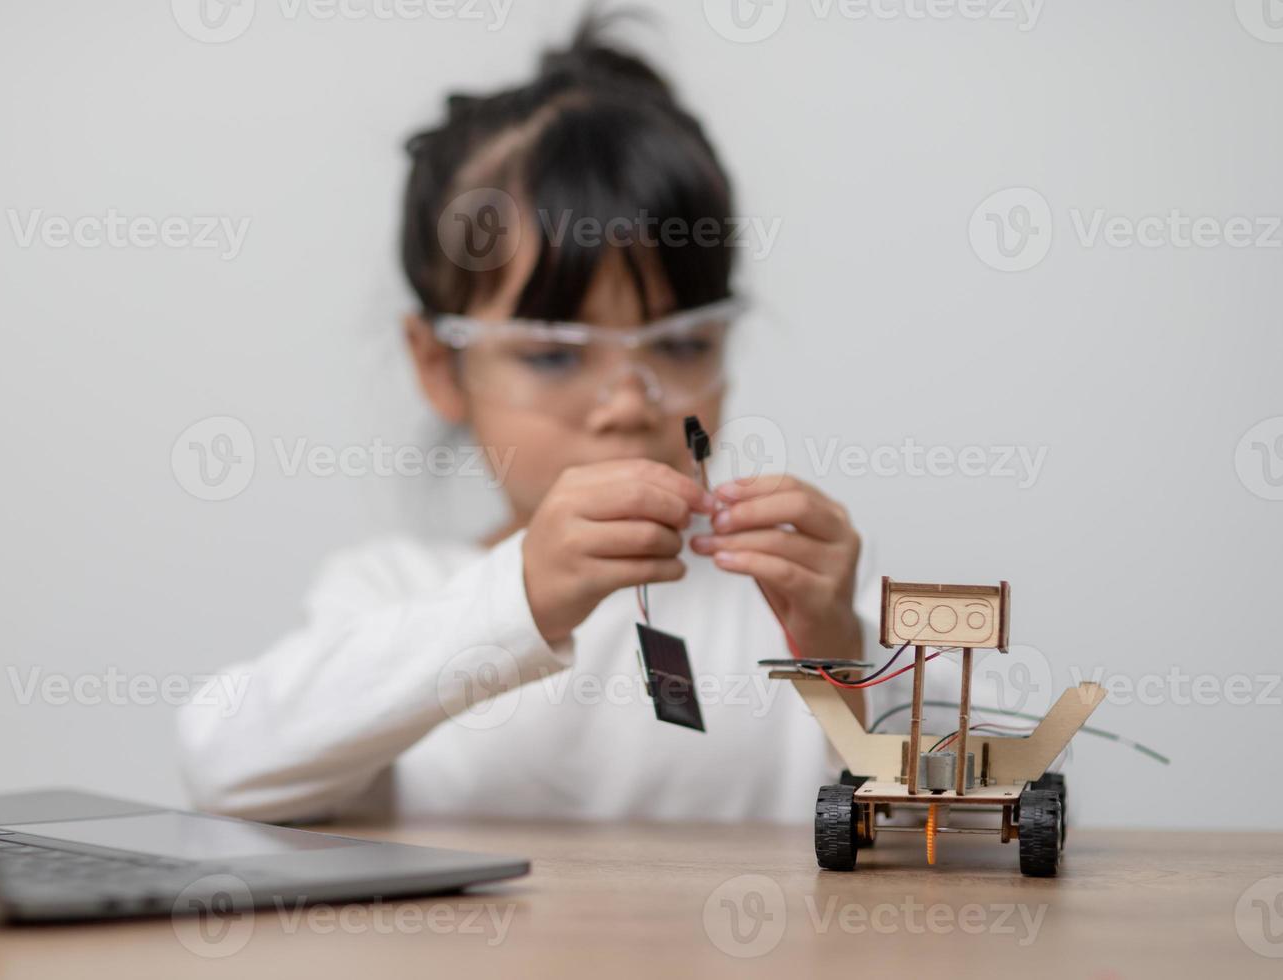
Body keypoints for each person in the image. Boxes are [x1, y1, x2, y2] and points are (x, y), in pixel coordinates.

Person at [177, 17, 951, 824]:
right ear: (441, 366)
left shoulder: (806, 595)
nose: (626, 403)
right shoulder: (394, 593)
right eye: (553, 354)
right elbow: (223, 770)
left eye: (682, 343)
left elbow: (964, 828)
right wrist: (517, 601)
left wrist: (845, 658)